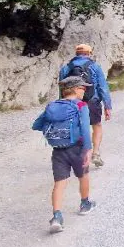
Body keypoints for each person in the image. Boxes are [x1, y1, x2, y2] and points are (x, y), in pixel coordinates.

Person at [32, 76, 97, 233]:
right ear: (75, 89)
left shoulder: (52, 105)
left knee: (59, 183)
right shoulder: (81, 105)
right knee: (83, 176)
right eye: (82, 88)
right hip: (77, 149)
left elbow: (36, 125)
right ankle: (85, 204)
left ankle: (57, 216)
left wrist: (56, 132)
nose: (84, 90)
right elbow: (85, 131)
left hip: (58, 150)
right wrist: (89, 150)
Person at [58, 44, 112, 168]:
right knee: (96, 125)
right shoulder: (95, 66)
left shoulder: (66, 68)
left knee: (77, 128)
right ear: (89, 53)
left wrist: (62, 105)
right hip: (92, 101)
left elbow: (62, 89)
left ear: (76, 53)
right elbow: (103, 87)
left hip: (72, 102)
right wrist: (107, 106)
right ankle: (96, 153)